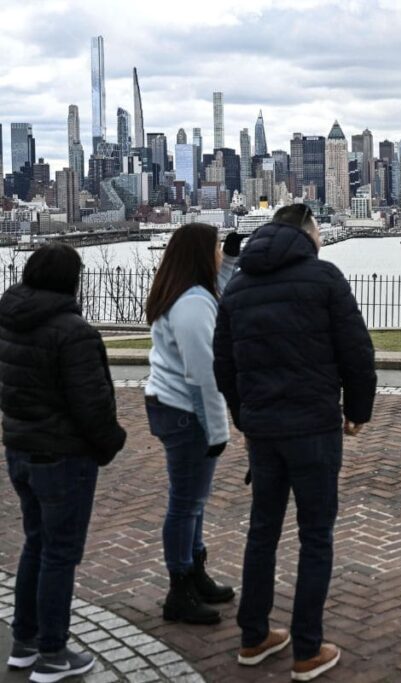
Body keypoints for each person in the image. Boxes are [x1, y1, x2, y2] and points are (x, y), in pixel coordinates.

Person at [213, 204, 376, 682]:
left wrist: (245, 417)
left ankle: (253, 635)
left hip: (263, 430)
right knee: (315, 535)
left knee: (262, 532)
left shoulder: (238, 286)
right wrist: (357, 413)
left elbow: (224, 364)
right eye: (320, 228)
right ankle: (306, 649)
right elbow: (357, 353)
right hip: (312, 428)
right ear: (307, 232)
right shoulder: (324, 277)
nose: (323, 234)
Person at [0, 244, 127, 682]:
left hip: (19, 448)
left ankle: (24, 642)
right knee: (59, 554)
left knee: (36, 543)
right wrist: (112, 442)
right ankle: (52, 653)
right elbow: (92, 405)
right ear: (69, 279)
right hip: (62, 456)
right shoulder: (73, 332)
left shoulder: (11, 322)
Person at [144, 224, 241, 626]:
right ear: (202, 253)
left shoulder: (183, 291)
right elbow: (205, 374)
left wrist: (232, 261)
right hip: (186, 413)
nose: (220, 252)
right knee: (185, 503)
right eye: (218, 247)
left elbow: (211, 292)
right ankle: (179, 587)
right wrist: (219, 432)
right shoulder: (192, 304)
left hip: (171, 405)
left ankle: (193, 571)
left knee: (192, 499)